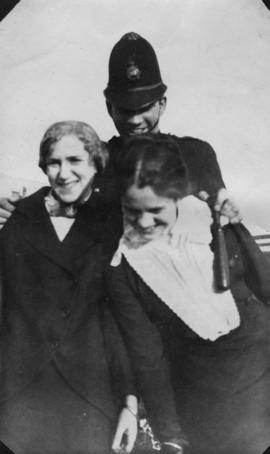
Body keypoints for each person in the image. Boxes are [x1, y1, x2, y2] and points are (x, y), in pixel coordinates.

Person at [106, 134, 270, 454]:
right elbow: (147, 356)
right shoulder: (124, 267)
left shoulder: (215, 222)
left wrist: (231, 226)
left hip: (261, 373)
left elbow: (265, 286)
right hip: (201, 397)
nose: (143, 223)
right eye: (131, 211)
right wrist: (171, 435)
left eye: (155, 210)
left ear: (178, 195)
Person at [0, 32, 240, 227]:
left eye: (144, 108)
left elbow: (223, 217)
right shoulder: (95, 160)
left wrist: (223, 209)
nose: (135, 120)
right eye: (125, 109)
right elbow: (57, 200)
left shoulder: (197, 155)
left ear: (162, 104)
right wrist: (18, 208)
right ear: (109, 108)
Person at [0, 121, 139, 454]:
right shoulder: (16, 218)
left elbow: (121, 319)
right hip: (20, 396)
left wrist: (130, 404)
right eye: (53, 162)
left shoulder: (115, 223)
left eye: (75, 161)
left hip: (91, 393)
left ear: (95, 164)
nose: (63, 173)